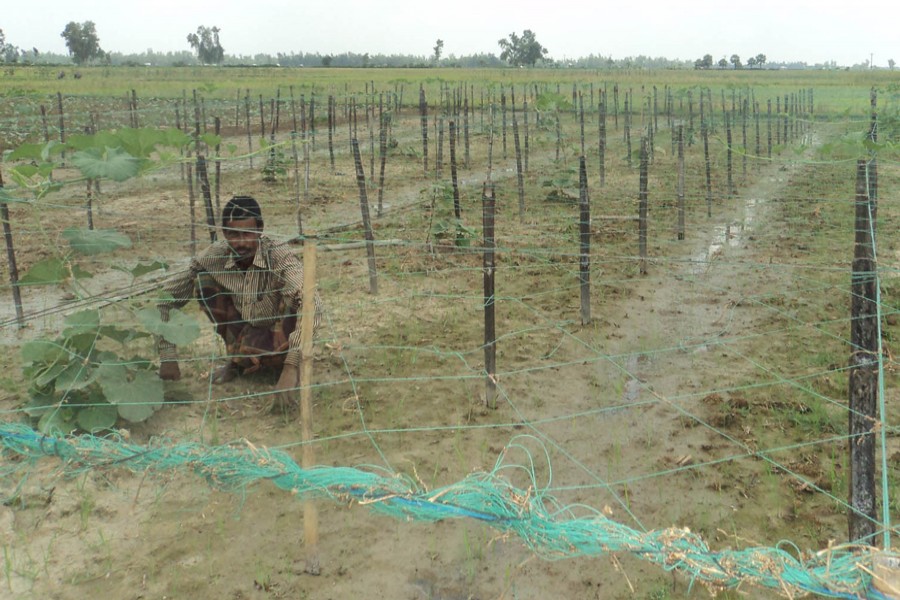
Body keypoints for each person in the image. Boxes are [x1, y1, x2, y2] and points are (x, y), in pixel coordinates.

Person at [157, 195, 321, 405]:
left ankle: (282, 365)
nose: (241, 242)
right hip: (246, 333)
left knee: (299, 297)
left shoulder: (279, 256)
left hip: (282, 340)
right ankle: (237, 362)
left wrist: (291, 367)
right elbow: (166, 297)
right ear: (224, 233)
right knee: (203, 281)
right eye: (233, 234)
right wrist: (167, 354)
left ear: (260, 229)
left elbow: (312, 303)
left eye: (248, 234)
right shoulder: (214, 256)